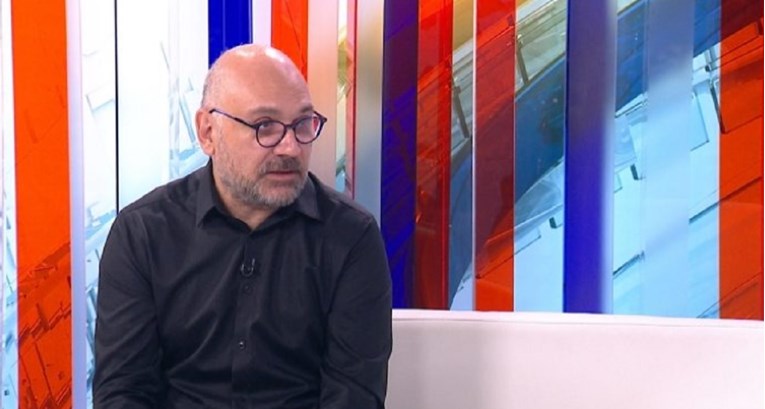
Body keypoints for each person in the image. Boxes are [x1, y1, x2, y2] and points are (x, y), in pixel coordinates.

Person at [93, 44, 392, 409]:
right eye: (265, 126)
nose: (290, 148)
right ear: (208, 132)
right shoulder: (142, 234)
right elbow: (123, 391)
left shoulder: (351, 237)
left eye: (302, 124)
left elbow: (354, 397)